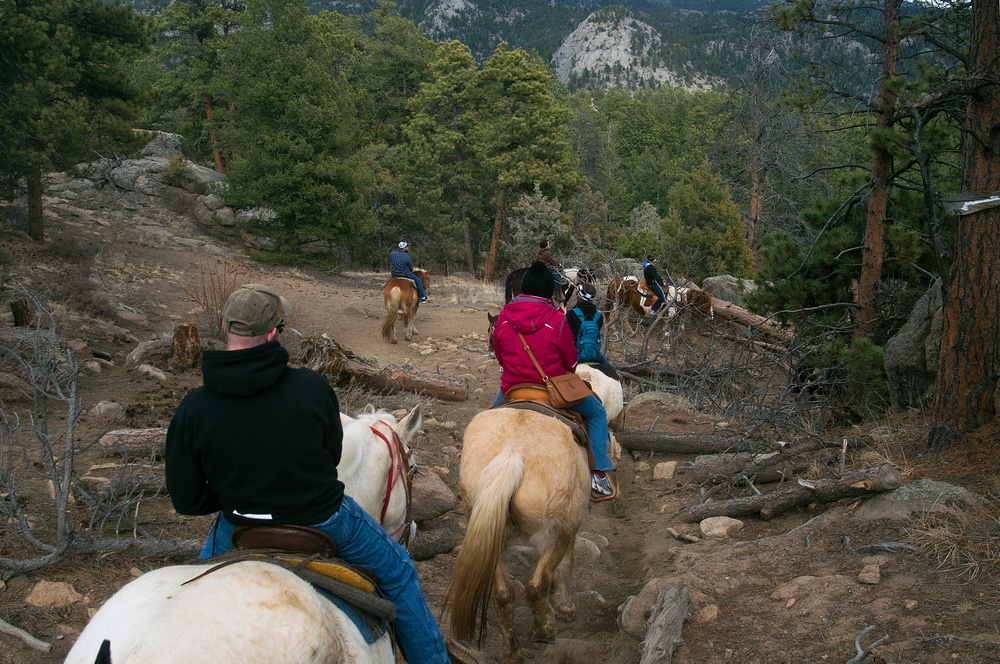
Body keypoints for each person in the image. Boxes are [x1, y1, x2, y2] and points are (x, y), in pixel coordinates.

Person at [165, 283, 451, 663]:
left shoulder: (193, 408)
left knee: (182, 593)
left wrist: (236, 492)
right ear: (272, 333)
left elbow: (186, 499)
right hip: (326, 521)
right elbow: (330, 455)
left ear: (225, 329)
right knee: (399, 574)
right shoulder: (311, 388)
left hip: (238, 524)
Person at [491, 262, 615, 500]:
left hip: (512, 389)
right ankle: (599, 475)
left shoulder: (505, 315)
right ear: (549, 291)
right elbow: (571, 361)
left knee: (488, 421)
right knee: (597, 413)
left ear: (523, 288)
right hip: (552, 390)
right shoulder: (558, 319)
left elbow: (500, 355)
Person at [567, 282, 619, 382]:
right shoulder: (598, 316)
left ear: (578, 296)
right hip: (594, 354)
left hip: (574, 354)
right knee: (612, 373)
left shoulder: (571, 314)